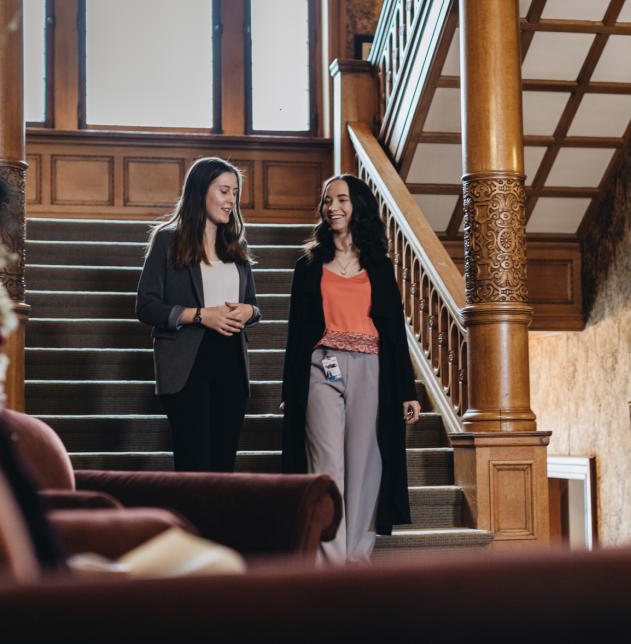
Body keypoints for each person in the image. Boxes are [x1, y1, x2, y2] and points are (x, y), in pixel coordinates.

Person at [281, 174, 421, 564]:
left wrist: (407, 390)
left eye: (341, 199)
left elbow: (394, 330)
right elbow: (295, 332)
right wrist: (290, 390)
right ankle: (328, 564)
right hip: (320, 366)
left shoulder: (379, 265)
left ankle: (356, 561)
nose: (332, 207)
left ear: (357, 205)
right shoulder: (308, 265)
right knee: (326, 466)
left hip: (372, 367)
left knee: (365, 465)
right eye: (327, 201)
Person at [136, 156, 260, 472]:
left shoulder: (236, 246)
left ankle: (221, 524)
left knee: (223, 466)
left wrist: (249, 310)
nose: (231, 200)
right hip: (188, 365)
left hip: (231, 361)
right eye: (224, 191)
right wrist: (203, 315)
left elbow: (252, 305)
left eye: (235, 192)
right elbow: (146, 306)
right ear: (200, 191)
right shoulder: (167, 240)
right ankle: (191, 524)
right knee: (194, 464)